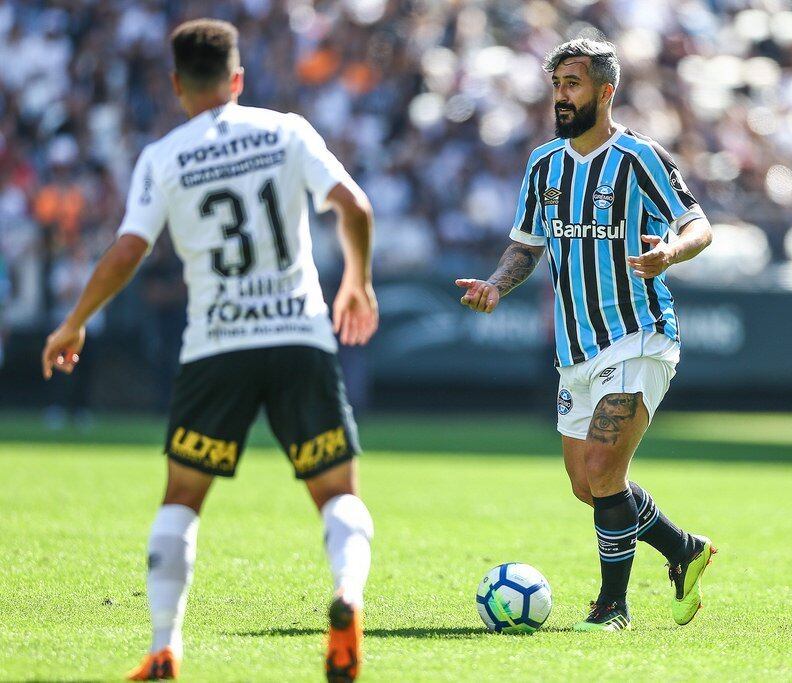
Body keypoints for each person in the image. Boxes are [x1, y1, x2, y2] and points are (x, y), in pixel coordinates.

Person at [40, 19, 376, 682]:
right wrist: (356, 282)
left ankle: (164, 647)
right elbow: (354, 206)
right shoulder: (287, 129)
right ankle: (347, 597)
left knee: (182, 499)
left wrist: (75, 320)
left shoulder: (164, 156)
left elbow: (129, 249)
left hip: (215, 345)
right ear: (238, 79)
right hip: (297, 335)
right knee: (336, 491)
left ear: (175, 85)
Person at [456, 38, 716, 631]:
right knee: (588, 485)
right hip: (576, 349)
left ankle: (612, 606)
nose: (562, 96)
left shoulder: (640, 158)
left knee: (603, 469)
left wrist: (670, 251)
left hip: (638, 332)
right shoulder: (544, 164)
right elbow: (527, 242)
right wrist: (497, 285)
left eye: (573, 84)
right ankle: (684, 552)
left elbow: (698, 223)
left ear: (605, 91)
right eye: (557, 86)